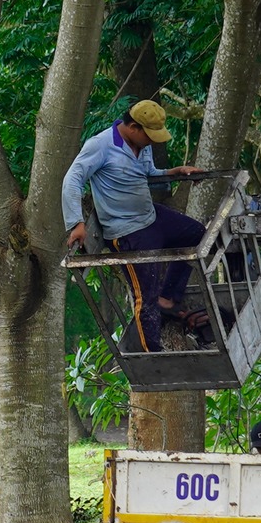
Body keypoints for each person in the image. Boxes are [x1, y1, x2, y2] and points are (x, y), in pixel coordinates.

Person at [61, 99, 209, 351]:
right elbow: (72, 180)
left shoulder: (142, 145)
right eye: (149, 136)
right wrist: (76, 222)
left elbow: (147, 173)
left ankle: (169, 297)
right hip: (126, 230)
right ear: (132, 127)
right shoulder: (101, 145)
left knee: (197, 235)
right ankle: (152, 355)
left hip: (150, 216)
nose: (152, 141)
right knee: (145, 296)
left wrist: (175, 172)